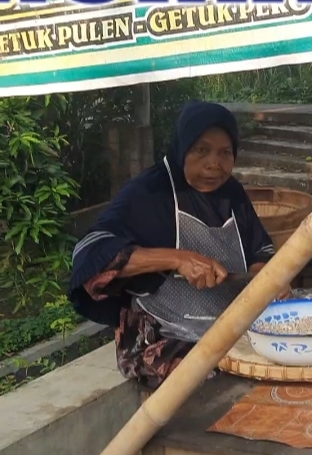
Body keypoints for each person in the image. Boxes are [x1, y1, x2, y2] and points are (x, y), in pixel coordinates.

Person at [68, 100, 287, 389]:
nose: (214, 164)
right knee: (218, 387)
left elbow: (259, 249)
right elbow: (90, 254)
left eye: (225, 153)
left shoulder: (231, 193)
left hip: (227, 332)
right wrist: (178, 259)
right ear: (182, 147)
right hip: (162, 340)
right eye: (201, 151)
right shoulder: (150, 191)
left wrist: (267, 279)